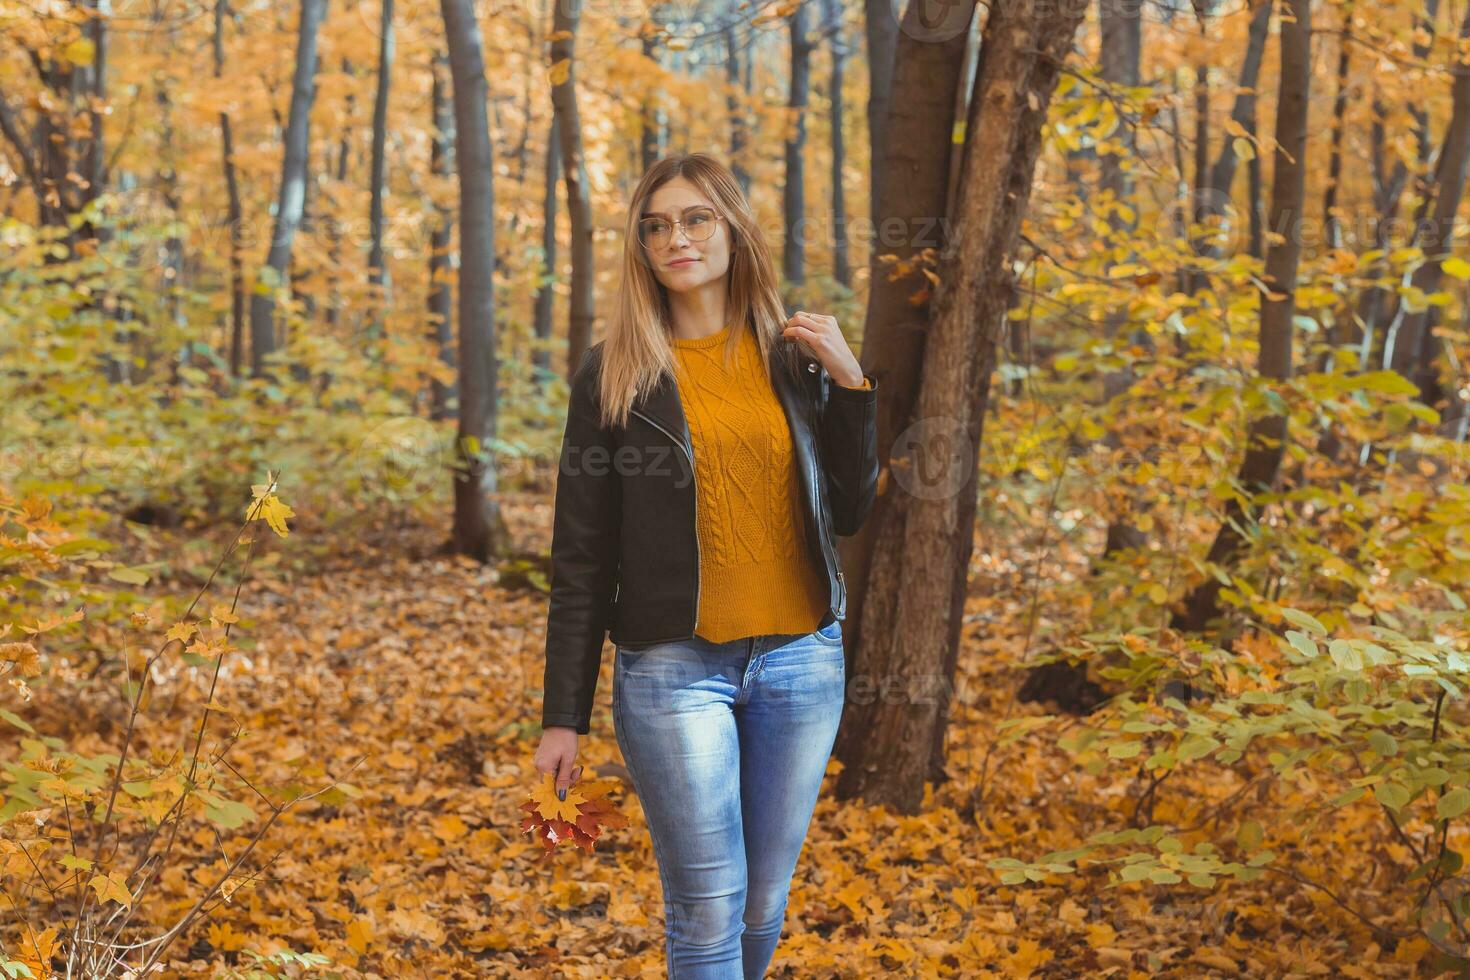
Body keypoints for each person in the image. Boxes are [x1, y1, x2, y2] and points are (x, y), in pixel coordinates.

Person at [533, 151, 879, 978]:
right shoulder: (613, 374)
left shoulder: (794, 358)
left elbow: (853, 510)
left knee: (764, 902)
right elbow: (579, 556)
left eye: (695, 219)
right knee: (707, 907)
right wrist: (562, 716)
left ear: (732, 229)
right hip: (673, 669)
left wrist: (851, 385)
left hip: (801, 661)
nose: (675, 238)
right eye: (656, 226)